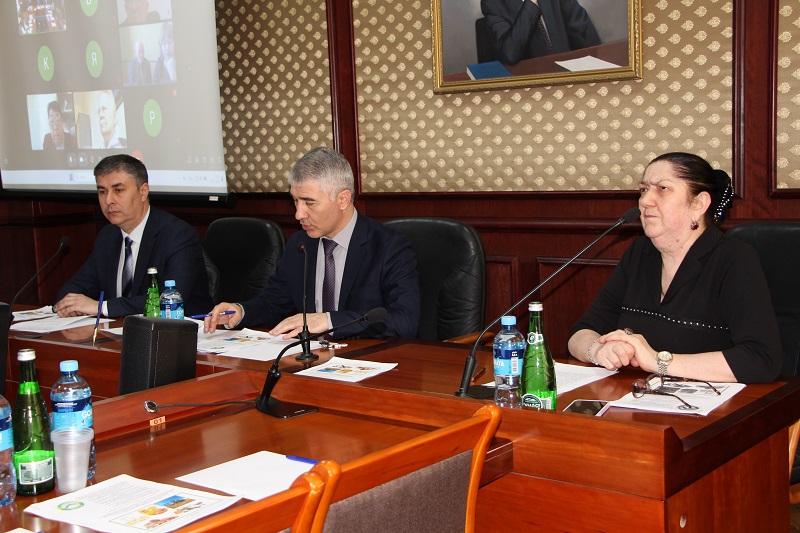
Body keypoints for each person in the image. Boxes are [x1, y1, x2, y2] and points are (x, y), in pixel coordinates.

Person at [567, 152, 782, 384]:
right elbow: (581, 332)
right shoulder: (640, 252)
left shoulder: (734, 258)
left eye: (663, 189)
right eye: (643, 189)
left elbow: (761, 360)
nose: (645, 201)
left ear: (698, 204)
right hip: (637, 395)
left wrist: (658, 361)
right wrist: (598, 350)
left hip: (711, 402)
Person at [204, 147, 420, 340]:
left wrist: (328, 321)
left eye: (309, 203)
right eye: (295, 201)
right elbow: (274, 303)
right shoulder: (300, 244)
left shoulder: (389, 247)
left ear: (343, 199)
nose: (299, 214)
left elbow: (405, 320)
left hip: (368, 362)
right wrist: (241, 311)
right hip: (310, 359)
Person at [55, 155, 213, 318]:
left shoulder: (177, 235)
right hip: (118, 330)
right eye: (102, 192)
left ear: (143, 192)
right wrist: (69, 304)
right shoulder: (108, 236)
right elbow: (76, 287)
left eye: (118, 190)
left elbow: (169, 301)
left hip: (179, 330)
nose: (108, 200)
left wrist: (101, 307)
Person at [481, 0, 601, 65]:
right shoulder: (492, 3)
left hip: (571, 73)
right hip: (533, 85)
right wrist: (531, 3)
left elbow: (584, 32)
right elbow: (510, 54)